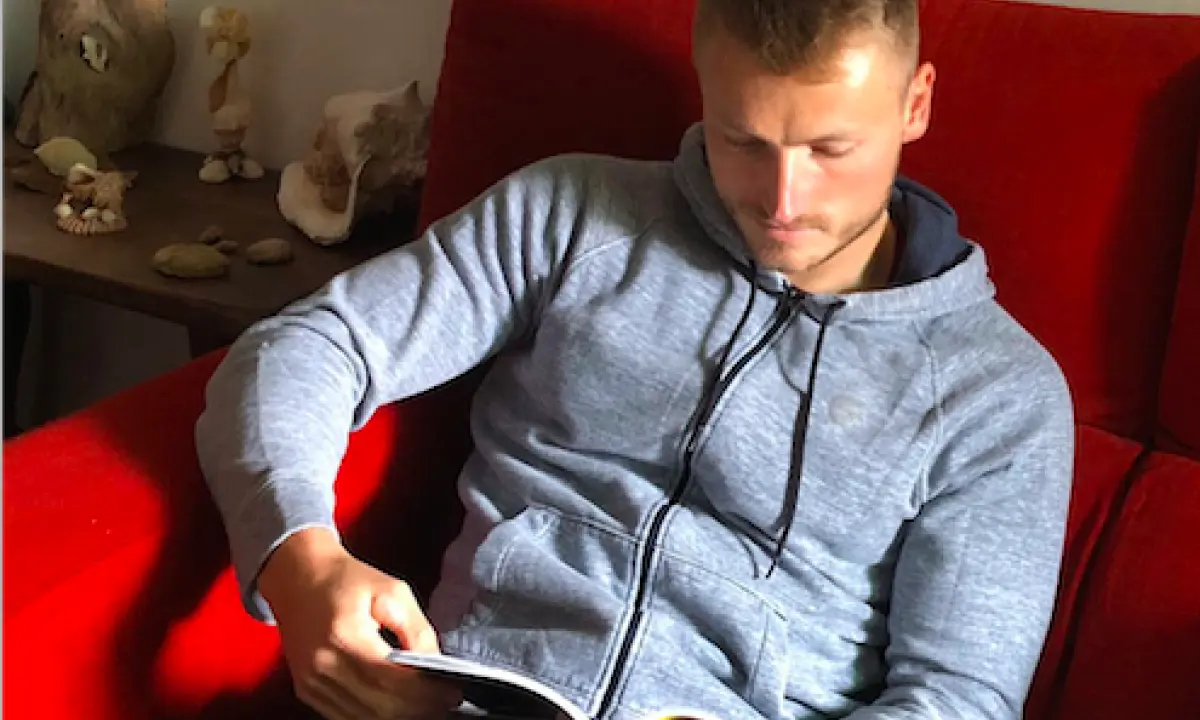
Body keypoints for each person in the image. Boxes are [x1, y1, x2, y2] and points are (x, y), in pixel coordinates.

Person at [195, 0, 1076, 718]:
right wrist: (300, 560)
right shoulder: (573, 214)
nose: (782, 200)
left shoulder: (996, 392)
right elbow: (309, 344)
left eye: (829, 150)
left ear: (916, 103)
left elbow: (958, 697)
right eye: (742, 140)